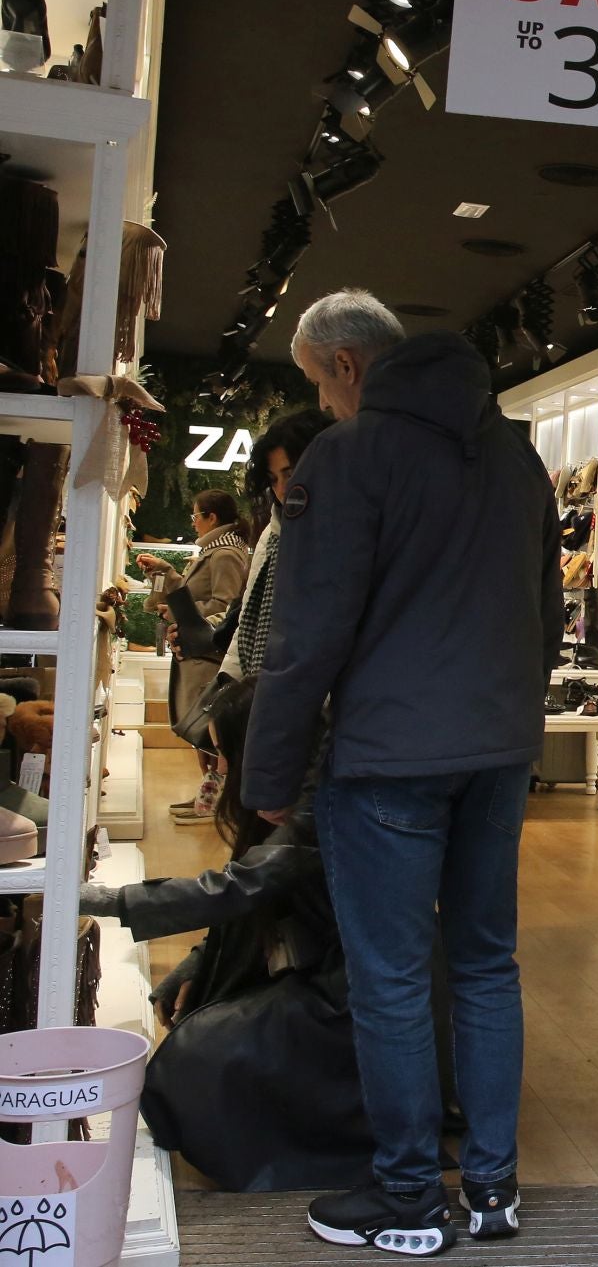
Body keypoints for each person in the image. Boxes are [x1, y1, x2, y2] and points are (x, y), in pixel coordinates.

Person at [243, 289, 563, 1253]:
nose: (322, 400)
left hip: (387, 758)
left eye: (313, 381)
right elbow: (546, 613)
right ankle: (494, 1191)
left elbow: (308, 633)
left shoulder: (349, 457)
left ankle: (410, 1198)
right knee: (484, 964)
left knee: (388, 980)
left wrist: (269, 771)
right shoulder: (516, 454)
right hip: (498, 751)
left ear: (345, 366)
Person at [81, 677, 372, 1192]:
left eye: (221, 753)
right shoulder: (295, 808)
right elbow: (250, 896)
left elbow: (241, 888)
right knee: (200, 1033)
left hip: (349, 996)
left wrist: (108, 902)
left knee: (195, 1057)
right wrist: (198, 961)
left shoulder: (321, 814)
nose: (215, 767)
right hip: (326, 976)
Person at [137, 489, 249, 823]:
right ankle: (209, 796)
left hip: (207, 655)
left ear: (211, 517)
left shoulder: (225, 553)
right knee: (201, 729)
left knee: (208, 728)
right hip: (197, 652)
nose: (194, 523)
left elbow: (225, 608)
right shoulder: (214, 552)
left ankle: (217, 802)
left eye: (196, 516)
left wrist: (180, 614)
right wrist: (168, 574)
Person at [218, 409, 333, 685]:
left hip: (317, 694)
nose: (282, 489)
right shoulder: (274, 532)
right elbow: (249, 616)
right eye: (273, 479)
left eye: (290, 473)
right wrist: (227, 681)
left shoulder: (341, 533)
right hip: (260, 685)